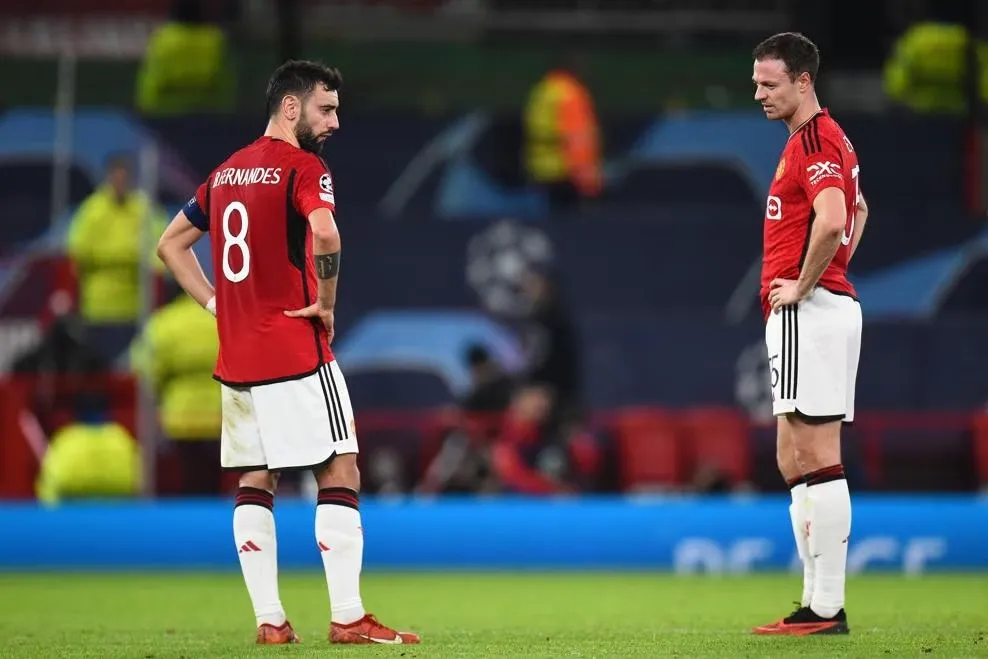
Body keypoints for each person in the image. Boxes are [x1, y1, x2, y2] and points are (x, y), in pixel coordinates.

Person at [156, 60, 419, 646]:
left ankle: (270, 621)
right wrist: (325, 302)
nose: (335, 122)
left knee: (256, 477)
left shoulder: (224, 174)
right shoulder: (303, 168)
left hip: (238, 357)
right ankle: (349, 617)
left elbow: (170, 243)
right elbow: (325, 233)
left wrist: (213, 305)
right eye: (326, 109)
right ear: (292, 107)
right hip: (297, 350)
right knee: (340, 467)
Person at [748, 33, 868, 636]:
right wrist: (835, 269)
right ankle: (816, 603)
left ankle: (825, 608)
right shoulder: (823, 140)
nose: (759, 93)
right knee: (790, 455)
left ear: (803, 81)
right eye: (756, 83)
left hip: (811, 310)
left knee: (816, 455)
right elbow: (860, 210)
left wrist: (804, 284)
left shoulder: (816, 140)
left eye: (770, 83)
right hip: (825, 305)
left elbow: (836, 217)